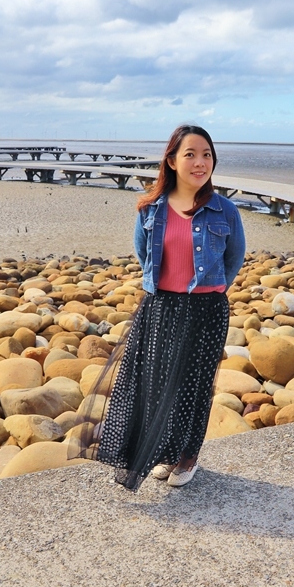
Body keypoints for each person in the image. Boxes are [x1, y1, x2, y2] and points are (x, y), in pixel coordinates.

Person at [69, 124, 246, 491]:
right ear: (171, 160)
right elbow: (142, 252)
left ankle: (187, 456)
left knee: (194, 386)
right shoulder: (151, 208)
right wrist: (166, 288)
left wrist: (211, 291)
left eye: (207, 155)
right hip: (161, 307)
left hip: (206, 310)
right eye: (191, 154)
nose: (200, 163)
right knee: (154, 384)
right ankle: (162, 452)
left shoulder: (224, 210)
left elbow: (234, 258)